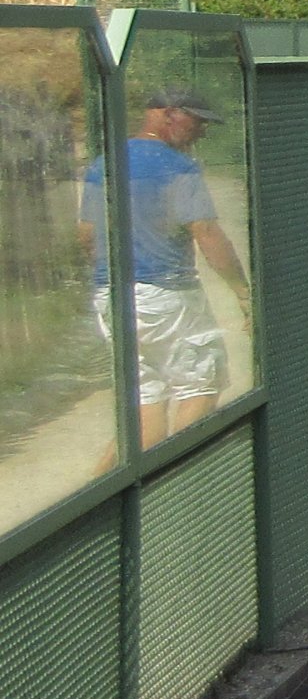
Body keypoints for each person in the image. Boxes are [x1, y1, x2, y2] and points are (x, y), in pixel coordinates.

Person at [79, 86, 250, 450]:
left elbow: (88, 235)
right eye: (198, 121)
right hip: (167, 296)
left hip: (111, 298)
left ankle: (106, 500)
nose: (202, 131)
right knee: (200, 387)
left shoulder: (104, 163)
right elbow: (205, 231)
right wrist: (243, 292)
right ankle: (181, 489)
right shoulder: (177, 166)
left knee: (144, 413)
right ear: (169, 113)